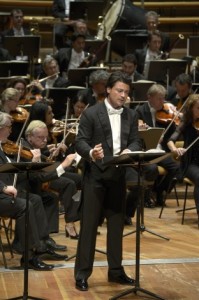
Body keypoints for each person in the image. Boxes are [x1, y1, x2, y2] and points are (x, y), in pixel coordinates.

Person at [74, 71, 142, 291]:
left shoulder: (130, 115)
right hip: (95, 177)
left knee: (116, 227)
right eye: (120, 91)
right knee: (89, 227)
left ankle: (115, 271)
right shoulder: (91, 113)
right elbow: (80, 142)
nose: (123, 96)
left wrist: (130, 150)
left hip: (118, 176)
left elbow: (136, 141)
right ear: (109, 90)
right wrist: (91, 153)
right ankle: (82, 274)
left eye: (126, 92)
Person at [0, 112, 68, 270]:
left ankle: (40, 247)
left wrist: (32, 163)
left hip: (7, 191)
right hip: (2, 193)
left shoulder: (2, 147)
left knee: (35, 199)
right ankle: (28, 254)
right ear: (1, 128)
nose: (11, 131)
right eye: (9, 128)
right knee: (25, 206)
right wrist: (3, 187)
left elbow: (12, 170)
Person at [24, 117, 81, 239]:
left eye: (46, 137)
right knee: (69, 184)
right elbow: (40, 175)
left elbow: (42, 161)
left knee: (81, 180)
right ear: (29, 137)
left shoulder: (34, 145)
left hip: (45, 173)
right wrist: (64, 164)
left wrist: (49, 152)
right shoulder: (24, 149)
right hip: (37, 183)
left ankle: (75, 216)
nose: (45, 140)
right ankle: (69, 223)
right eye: (41, 138)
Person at [136, 83, 181, 206]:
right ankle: (145, 195)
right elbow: (135, 134)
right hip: (146, 151)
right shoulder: (140, 111)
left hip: (161, 151)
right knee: (151, 169)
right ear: (149, 97)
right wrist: (143, 130)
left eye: (163, 98)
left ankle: (159, 191)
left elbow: (171, 135)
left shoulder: (167, 112)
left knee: (177, 168)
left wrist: (176, 119)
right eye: (159, 98)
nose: (162, 102)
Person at [167, 93, 199, 225]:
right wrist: (175, 149)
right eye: (198, 108)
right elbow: (171, 140)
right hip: (190, 163)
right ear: (191, 109)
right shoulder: (185, 123)